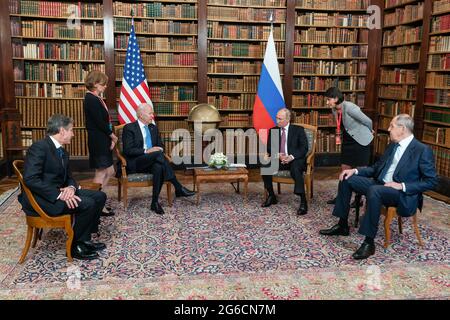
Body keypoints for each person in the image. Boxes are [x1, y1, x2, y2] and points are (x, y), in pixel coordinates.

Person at [319, 114, 438, 260]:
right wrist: (354, 171)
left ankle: (369, 243)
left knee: (374, 190)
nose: (388, 129)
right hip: (380, 184)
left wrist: (401, 186)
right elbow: (376, 169)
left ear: (402, 129)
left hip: (401, 193)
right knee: (347, 178)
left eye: (392, 126)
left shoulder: (422, 150)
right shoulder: (392, 145)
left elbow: (431, 181)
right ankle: (342, 225)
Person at [18, 114, 107, 260]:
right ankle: (74, 246)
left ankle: (84, 240)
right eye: (71, 130)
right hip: (42, 199)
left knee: (99, 196)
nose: (73, 134)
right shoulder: (39, 147)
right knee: (88, 203)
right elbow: (31, 179)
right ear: (62, 131)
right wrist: (59, 195)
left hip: (59, 192)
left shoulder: (62, 151)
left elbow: (69, 178)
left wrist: (71, 189)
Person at [121, 103, 195, 215]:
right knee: (158, 156)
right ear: (141, 115)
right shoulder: (129, 128)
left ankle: (154, 202)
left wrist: (157, 149)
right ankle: (178, 187)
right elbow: (128, 150)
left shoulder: (153, 128)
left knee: (159, 166)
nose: (152, 116)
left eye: (152, 113)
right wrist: (147, 151)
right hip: (136, 162)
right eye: (150, 113)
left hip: (153, 161)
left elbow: (161, 146)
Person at [324, 87, 374, 207]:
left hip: (361, 141)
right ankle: (341, 196)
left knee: (360, 171)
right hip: (348, 142)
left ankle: (358, 199)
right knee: (344, 170)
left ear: (336, 98)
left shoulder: (350, 107)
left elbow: (368, 120)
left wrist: (370, 130)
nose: (327, 102)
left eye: (328, 99)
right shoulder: (334, 109)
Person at [261, 108, 309, 215]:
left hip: (294, 160)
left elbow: (304, 148)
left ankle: (303, 201)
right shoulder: (274, 130)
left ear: (288, 119)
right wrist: (278, 156)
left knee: (296, 168)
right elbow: (269, 148)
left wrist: (291, 157)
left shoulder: (298, 130)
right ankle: (272, 195)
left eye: (280, 119)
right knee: (265, 165)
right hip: (280, 159)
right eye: (276, 118)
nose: (277, 121)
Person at [84, 70, 118, 216]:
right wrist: (113, 136)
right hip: (98, 140)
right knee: (101, 172)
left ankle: (98, 201)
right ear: (96, 84)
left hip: (102, 139)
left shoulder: (96, 98)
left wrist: (109, 137)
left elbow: (104, 121)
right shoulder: (90, 99)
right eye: (103, 84)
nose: (105, 87)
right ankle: (95, 205)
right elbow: (99, 122)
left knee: (110, 171)